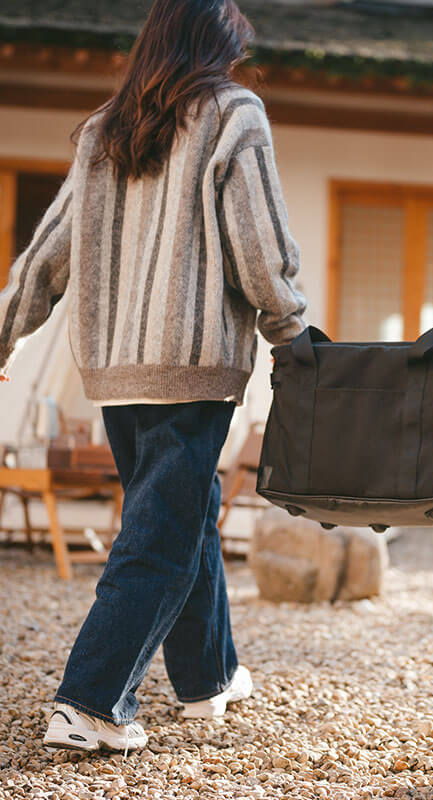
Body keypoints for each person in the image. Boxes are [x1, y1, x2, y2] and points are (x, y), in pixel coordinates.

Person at [0, 0, 306, 753]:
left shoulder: (108, 125)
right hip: (192, 369)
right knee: (161, 538)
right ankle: (92, 702)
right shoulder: (235, 114)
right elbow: (258, 243)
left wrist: (2, 330)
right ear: (219, 46)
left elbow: (48, 252)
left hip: (115, 372)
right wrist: (291, 330)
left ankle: (209, 678)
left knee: (184, 512)